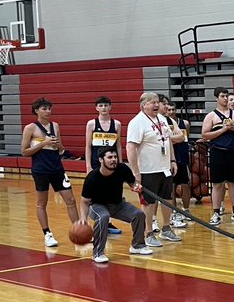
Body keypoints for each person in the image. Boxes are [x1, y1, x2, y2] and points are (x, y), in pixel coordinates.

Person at [21, 98, 79, 247]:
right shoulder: (30, 128)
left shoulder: (55, 126)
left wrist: (59, 145)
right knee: (42, 203)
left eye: (49, 108)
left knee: (71, 200)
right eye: (44, 109)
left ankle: (78, 230)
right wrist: (43, 143)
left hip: (57, 168)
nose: (48, 111)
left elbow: (61, 149)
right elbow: (24, 152)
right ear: (36, 110)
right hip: (40, 169)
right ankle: (47, 233)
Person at [77, 148, 151, 263]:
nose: (114, 160)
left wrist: (136, 186)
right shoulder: (92, 177)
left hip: (118, 204)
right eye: (110, 157)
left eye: (115, 157)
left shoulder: (122, 169)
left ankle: (138, 245)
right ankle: (98, 253)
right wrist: (83, 218)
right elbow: (84, 201)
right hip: (97, 206)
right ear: (101, 160)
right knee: (104, 216)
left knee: (139, 214)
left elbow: (133, 183)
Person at [126, 92, 181, 247]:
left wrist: (172, 159)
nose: (156, 105)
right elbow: (131, 148)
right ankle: (148, 233)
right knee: (148, 203)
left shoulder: (162, 119)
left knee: (167, 199)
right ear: (143, 105)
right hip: (147, 170)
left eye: (157, 102)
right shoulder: (137, 122)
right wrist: (136, 173)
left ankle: (166, 228)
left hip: (164, 167)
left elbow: (168, 139)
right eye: (152, 102)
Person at [202, 87, 234, 225]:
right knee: (217, 184)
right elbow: (204, 135)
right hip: (218, 152)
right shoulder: (211, 116)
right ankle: (216, 213)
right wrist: (223, 129)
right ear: (216, 98)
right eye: (222, 96)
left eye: (226, 96)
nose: (225, 98)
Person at [84, 96, 123, 235]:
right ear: (96, 108)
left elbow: (118, 146)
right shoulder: (91, 124)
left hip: (111, 164)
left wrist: (120, 164)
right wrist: (88, 165)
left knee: (110, 193)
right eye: (101, 105)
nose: (104, 108)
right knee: (95, 193)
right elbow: (88, 146)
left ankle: (108, 222)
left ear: (110, 107)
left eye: (106, 105)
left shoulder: (117, 124)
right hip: (96, 163)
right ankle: (97, 221)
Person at [159, 95, 190, 227]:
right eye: (168, 108)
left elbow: (182, 138)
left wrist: (167, 139)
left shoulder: (183, 123)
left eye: (172, 109)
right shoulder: (159, 122)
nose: (170, 111)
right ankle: (169, 214)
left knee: (185, 183)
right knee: (168, 188)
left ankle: (186, 210)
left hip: (181, 157)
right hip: (166, 159)